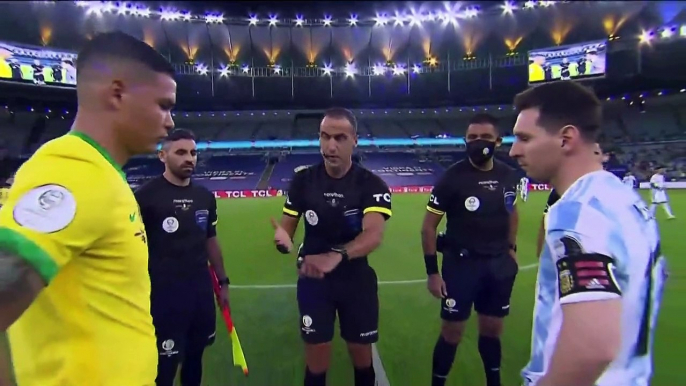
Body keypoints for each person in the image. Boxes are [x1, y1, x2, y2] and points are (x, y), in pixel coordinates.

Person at [0, 31, 176, 386]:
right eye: (163, 105)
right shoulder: (73, 170)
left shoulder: (99, 173)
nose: (170, 122)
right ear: (117, 94)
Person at [510, 81, 666, 386]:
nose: (514, 151)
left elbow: (593, 346)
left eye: (524, 138)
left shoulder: (576, 212)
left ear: (566, 139)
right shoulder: (628, 202)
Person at [271, 107, 392, 386]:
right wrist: (283, 241)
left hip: (356, 282)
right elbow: (287, 228)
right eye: (325, 137)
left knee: (362, 360)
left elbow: (373, 235)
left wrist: (336, 256)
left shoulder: (371, 185)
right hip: (315, 281)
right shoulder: (303, 181)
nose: (331, 145)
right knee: (316, 362)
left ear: (354, 141)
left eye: (339, 138)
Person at [422, 113, 519, 386]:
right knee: (452, 331)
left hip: (499, 265)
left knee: (492, 329)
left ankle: (494, 381)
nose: (478, 143)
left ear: (498, 142)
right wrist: (433, 272)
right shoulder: (452, 178)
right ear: (465, 141)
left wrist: (511, 247)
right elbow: (428, 227)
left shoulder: (507, 175)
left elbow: (512, 211)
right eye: (473, 138)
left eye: (485, 138)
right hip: (461, 265)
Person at [135, 129, 229, 386]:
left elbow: (210, 238)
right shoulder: (144, 197)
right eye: (181, 152)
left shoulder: (204, 197)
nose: (189, 158)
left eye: (193, 153)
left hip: (199, 291)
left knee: (195, 358)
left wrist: (223, 281)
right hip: (163, 295)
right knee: (165, 365)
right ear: (162, 156)